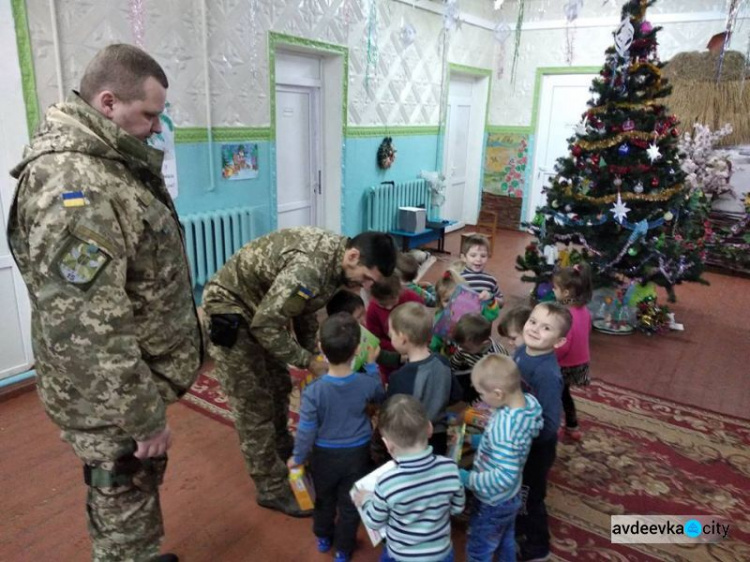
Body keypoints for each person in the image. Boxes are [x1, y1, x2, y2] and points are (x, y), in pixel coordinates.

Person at [6, 44, 203, 562]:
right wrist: (143, 418)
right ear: (109, 102)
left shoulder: (107, 164)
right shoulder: (76, 183)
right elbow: (89, 329)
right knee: (121, 489)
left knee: (133, 489)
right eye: (150, 115)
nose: (157, 128)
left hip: (124, 386)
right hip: (110, 397)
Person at [202, 227, 397, 517]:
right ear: (353, 256)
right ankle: (270, 489)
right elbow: (265, 325)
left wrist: (315, 351)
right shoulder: (310, 269)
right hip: (231, 310)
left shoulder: (336, 264)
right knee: (253, 402)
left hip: (263, 309)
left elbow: (304, 307)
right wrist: (307, 360)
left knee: (279, 385)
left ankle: (283, 451)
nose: (367, 285)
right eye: (367, 277)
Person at [287, 313, 385, 562]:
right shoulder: (365, 382)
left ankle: (323, 537)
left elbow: (306, 431)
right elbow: (379, 396)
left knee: (324, 499)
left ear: (320, 347)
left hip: (323, 456)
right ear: (356, 349)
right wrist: (372, 366)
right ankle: (343, 549)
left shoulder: (313, 391)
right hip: (357, 455)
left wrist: (297, 458)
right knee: (350, 505)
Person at [356, 395, 466, 562]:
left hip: (401, 556)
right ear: (429, 428)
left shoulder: (387, 483)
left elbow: (374, 521)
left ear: (387, 444)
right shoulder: (450, 468)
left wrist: (366, 500)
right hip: (441, 553)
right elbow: (457, 508)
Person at [459, 355, 543, 562]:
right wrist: (478, 440)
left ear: (498, 394)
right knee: (505, 537)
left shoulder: (504, 430)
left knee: (480, 549)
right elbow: (513, 445)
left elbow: (505, 475)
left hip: (493, 500)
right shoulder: (527, 405)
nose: (480, 399)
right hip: (512, 494)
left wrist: (468, 479)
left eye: (481, 394)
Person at [513, 303, 571, 562]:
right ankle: (513, 526)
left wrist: (524, 438)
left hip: (535, 449)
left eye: (546, 328)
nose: (535, 329)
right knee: (513, 487)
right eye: (533, 321)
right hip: (516, 440)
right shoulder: (520, 352)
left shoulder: (547, 374)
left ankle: (537, 548)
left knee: (529, 497)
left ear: (558, 342)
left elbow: (549, 425)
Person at [387, 302, 462, 455]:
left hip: (413, 441)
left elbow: (394, 416)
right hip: (440, 437)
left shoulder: (399, 378)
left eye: (391, 334)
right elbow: (456, 395)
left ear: (402, 338)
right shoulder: (443, 362)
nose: (390, 337)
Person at [552, 264, 593, 441]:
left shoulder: (565, 314)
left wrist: (548, 355)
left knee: (554, 395)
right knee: (564, 394)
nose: (553, 291)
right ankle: (572, 426)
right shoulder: (584, 311)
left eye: (555, 288)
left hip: (564, 364)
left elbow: (563, 346)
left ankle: (552, 425)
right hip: (580, 361)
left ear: (566, 292)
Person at [365, 274, 423, 383]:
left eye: (393, 301)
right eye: (382, 304)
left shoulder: (412, 298)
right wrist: (397, 347)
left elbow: (423, 323)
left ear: (399, 290)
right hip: (391, 362)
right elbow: (374, 339)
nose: (389, 307)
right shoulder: (372, 309)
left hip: (416, 351)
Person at [450, 313, 509, 404]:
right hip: (472, 371)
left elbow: (495, 384)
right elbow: (456, 360)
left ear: (484, 344)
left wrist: (477, 403)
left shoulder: (495, 357)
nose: (461, 349)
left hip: (490, 378)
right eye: (460, 345)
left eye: (466, 348)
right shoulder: (465, 347)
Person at [459, 234, 504, 308]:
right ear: (463, 257)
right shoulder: (457, 278)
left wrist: (491, 298)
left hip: (483, 319)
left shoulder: (491, 280)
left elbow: (501, 303)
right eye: (473, 255)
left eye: (483, 256)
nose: (478, 259)